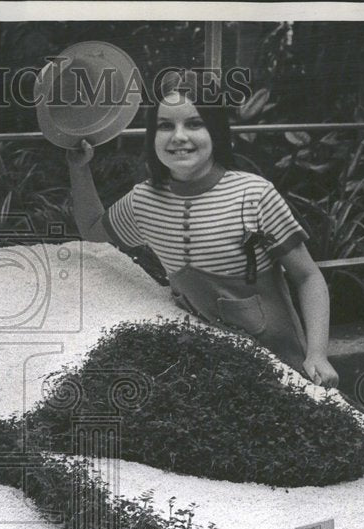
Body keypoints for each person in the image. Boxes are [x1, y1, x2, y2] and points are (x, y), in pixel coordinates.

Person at [66, 78, 340, 387]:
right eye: (165, 126)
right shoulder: (143, 200)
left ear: (216, 132)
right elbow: (93, 232)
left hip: (279, 363)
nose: (179, 137)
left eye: (195, 124)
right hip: (204, 365)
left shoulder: (253, 195)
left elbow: (308, 276)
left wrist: (317, 354)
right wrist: (79, 169)